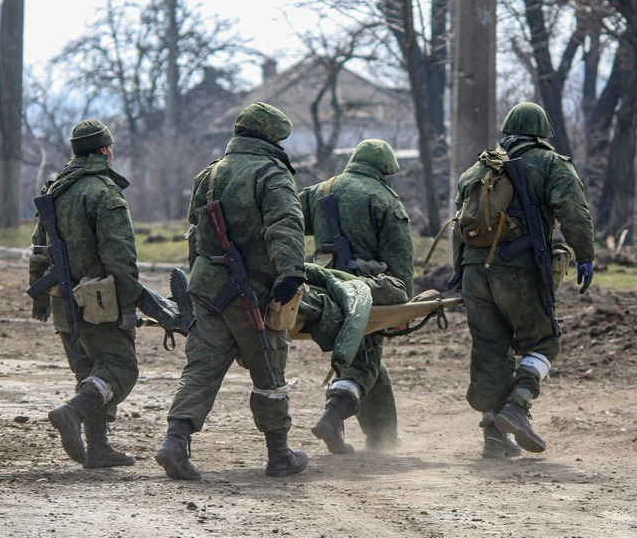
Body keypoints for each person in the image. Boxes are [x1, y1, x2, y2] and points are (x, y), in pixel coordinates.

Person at [154, 102, 308, 480]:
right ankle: (279, 454)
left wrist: (197, 281)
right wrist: (291, 271)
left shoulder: (208, 175)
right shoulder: (271, 174)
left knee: (202, 367)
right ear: (272, 138)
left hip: (206, 286)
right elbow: (284, 223)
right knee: (269, 369)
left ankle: (175, 442)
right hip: (250, 290)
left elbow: (195, 231)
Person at [453, 102, 594, 457]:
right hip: (517, 270)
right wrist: (586, 255)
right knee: (543, 341)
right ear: (542, 132)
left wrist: (460, 273)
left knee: (490, 349)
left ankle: (493, 435)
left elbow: (459, 225)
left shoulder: (478, 168)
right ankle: (517, 406)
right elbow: (573, 212)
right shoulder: (550, 163)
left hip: (474, 272)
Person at [29, 119, 142, 469]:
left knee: (90, 372)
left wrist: (39, 298)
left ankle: (98, 447)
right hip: (99, 302)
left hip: (61, 300)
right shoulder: (103, 191)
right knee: (121, 367)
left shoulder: (55, 189)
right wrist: (128, 306)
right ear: (105, 150)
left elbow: (38, 248)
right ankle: (72, 412)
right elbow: (119, 255)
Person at [299, 139, 413, 453]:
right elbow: (400, 259)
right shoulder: (384, 199)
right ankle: (334, 413)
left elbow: (288, 223)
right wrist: (404, 310)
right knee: (366, 355)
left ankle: (382, 437)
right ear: (385, 170)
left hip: (322, 287)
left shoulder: (321, 191)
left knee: (368, 357)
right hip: (364, 293)